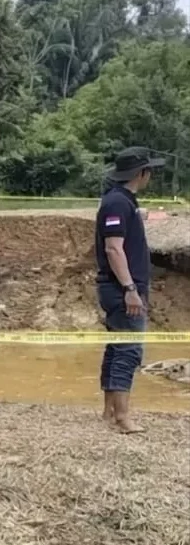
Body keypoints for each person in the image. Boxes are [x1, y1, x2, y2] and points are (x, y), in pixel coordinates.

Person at [94, 146, 165, 434]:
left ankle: (110, 412)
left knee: (117, 348)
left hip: (121, 289)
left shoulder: (123, 202)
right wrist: (130, 288)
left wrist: (144, 215)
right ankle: (122, 417)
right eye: (149, 171)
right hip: (122, 290)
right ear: (141, 174)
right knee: (129, 351)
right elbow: (113, 248)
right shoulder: (117, 204)